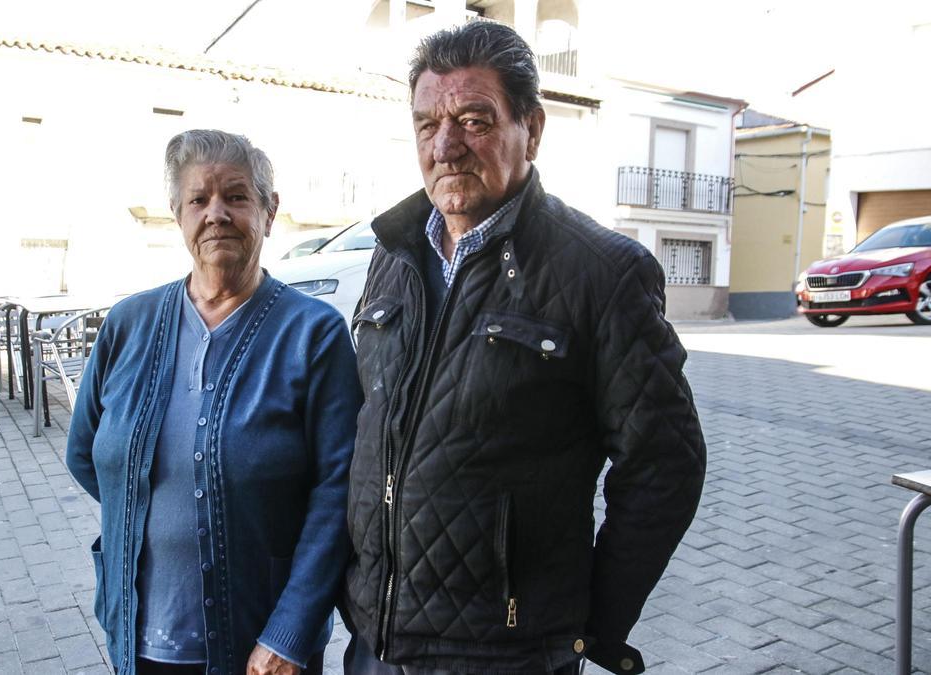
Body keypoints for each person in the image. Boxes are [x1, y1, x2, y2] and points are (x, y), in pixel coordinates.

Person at [342, 21, 706, 675]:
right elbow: (362, 427)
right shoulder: (393, 254)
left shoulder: (601, 271)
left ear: (531, 130)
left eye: (474, 120)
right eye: (428, 124)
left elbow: (664, 464)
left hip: (506, 654)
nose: (446, 146)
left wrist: (589, 622)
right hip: (375, 641)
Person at [67, 129, 362, 675]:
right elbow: (84, 453)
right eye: (199, 199)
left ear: (269, 212)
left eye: (237, 196)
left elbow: (339, 491)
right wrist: (141, 509)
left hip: (264, 645)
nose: (217, 213)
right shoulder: (128, 323)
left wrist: (291, 631)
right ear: (178, 214)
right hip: (137, 636)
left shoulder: (313, 334)